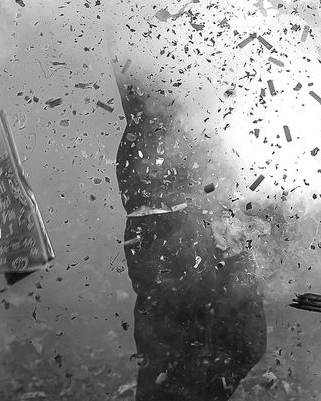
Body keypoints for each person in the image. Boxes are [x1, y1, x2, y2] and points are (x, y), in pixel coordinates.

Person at [113, 62, 266, 401]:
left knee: (244, 341)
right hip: (167, 216)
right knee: (179, 370)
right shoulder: (138, 26)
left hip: (213, 201)